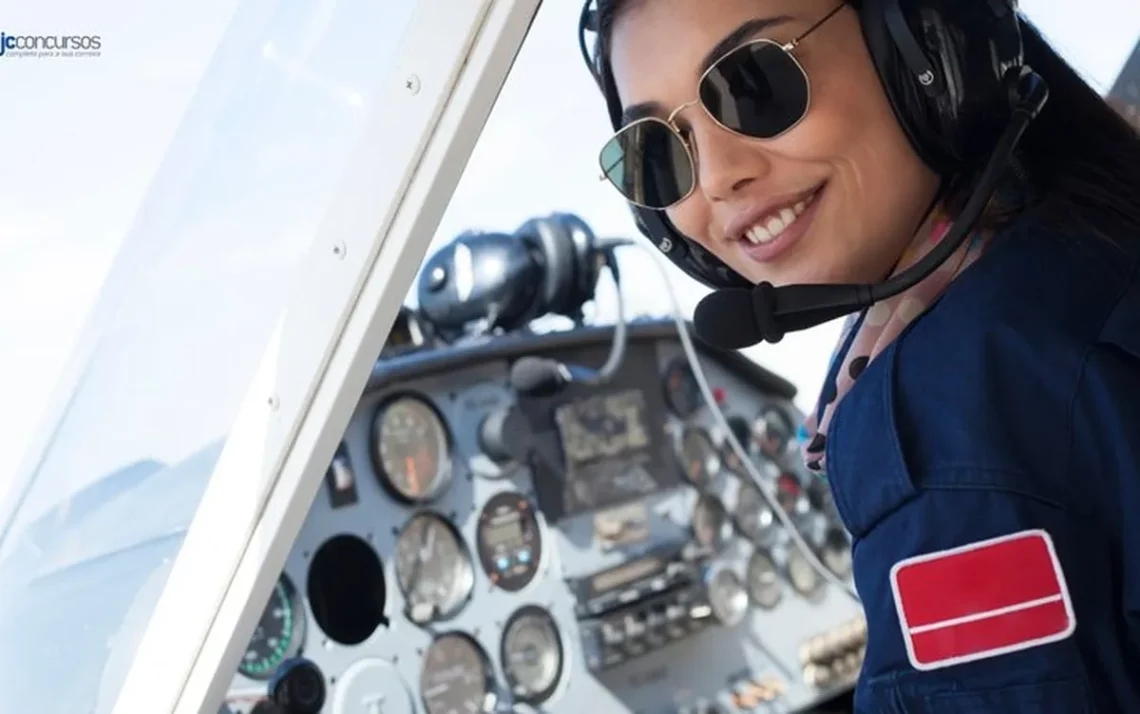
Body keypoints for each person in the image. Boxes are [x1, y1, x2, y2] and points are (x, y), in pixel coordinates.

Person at [582, 0, 1140, 711]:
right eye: (660, 150)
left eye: (753, 82)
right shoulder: (1085, 236)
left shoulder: (945, 416)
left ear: (929, 46)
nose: (717, 176)